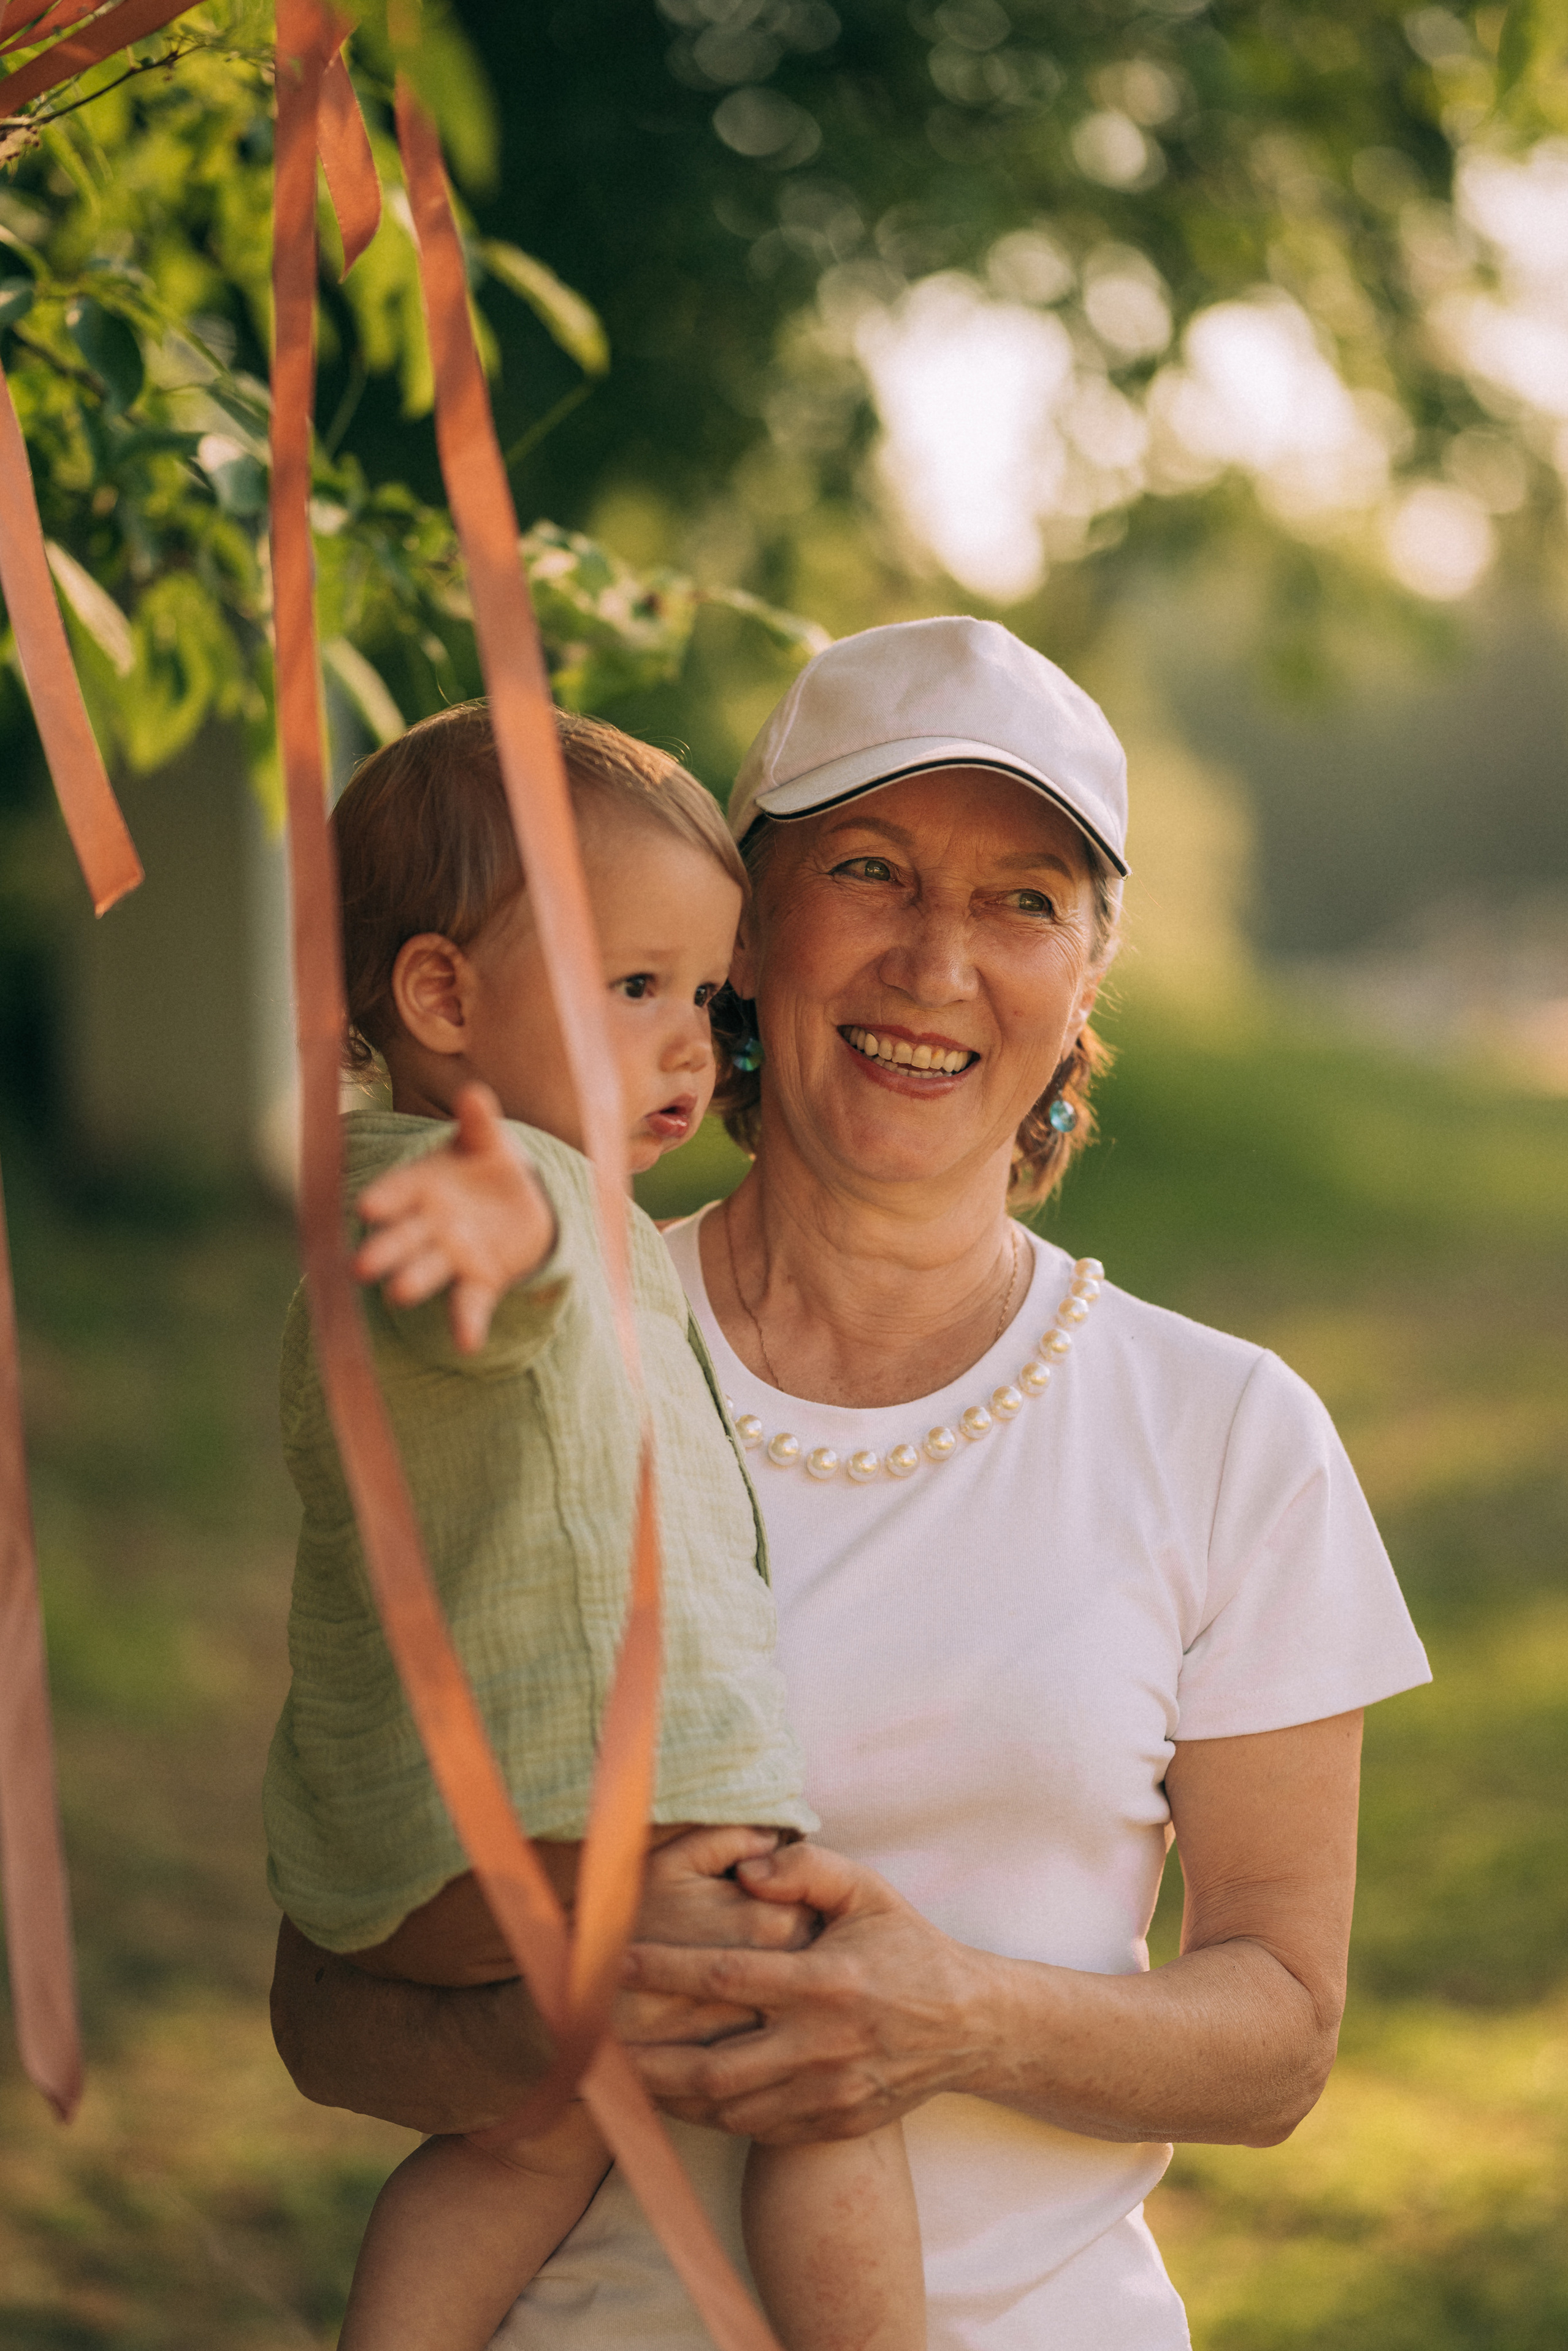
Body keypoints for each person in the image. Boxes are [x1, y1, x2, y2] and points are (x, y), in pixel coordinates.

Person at [270, 620, 1431, 2350]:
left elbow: (1279, 2037)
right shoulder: (516, 1350)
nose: (938, 959)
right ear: (749, 926)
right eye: (871, 870)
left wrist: (945, 2012)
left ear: (1086, 977)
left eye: (1026, 900)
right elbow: (326, 1991)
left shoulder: (1227, 1431)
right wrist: (569, 2025)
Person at [262, 701, 925, 2351]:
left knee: (523, 2130)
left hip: (423, 1860)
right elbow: (497, 1277)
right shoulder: (512, 1187)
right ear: (442, 998)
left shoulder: (473, 1194)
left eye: (705, 995)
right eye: (635, 987)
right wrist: (496, 1221)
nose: (693, 1045)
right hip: (577, 1823)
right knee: (829, 2074)